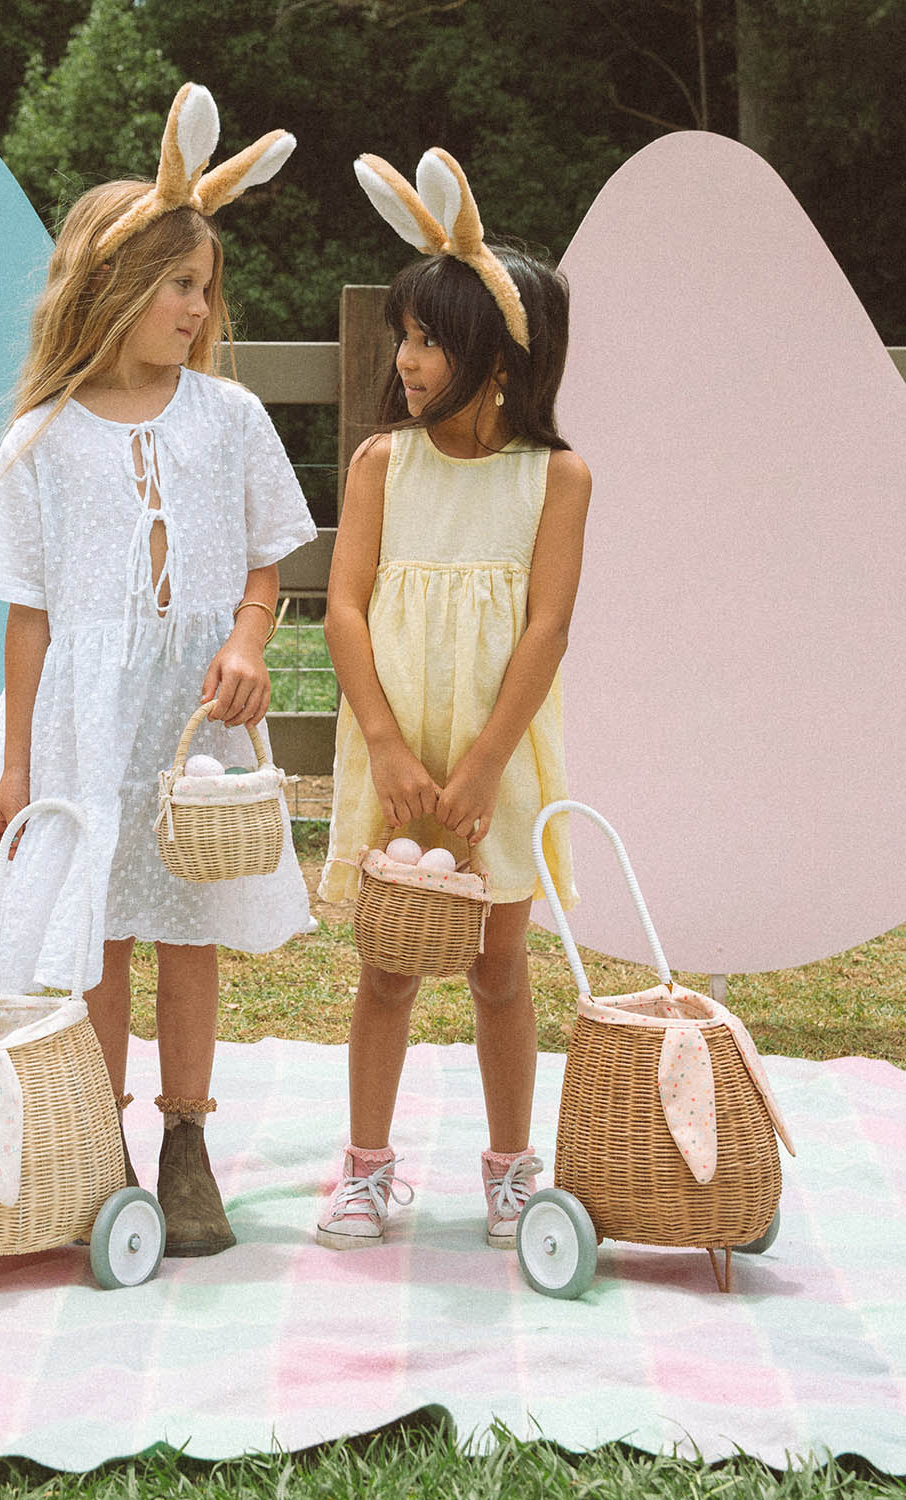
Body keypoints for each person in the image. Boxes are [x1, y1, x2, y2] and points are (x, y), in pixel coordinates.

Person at [0, 84, 316, 1258]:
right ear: (116, 286)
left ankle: (188, 1141)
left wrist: (245, 641)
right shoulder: (42, 440)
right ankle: (104, 1140)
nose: (199, 307)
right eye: (179, 285)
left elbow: (265, 564)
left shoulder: (229, 418)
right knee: (97, 935)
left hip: (190, 724)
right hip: (85, 725)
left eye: (204, 287)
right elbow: (28, 619)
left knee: (187, 928)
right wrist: (17, 766)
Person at [316, 148, 590, 1250]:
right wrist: (386, 746)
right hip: (400, 749)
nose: (409, 356)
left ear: (498, 358)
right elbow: (341, 609)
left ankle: (511, 1167)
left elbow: (548, 628)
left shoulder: (556, 480)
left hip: (497, 757)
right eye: (409, 334)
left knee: (497, 966)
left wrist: (481, 770)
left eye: (431, 339)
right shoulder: (385, 463)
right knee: (388, 963)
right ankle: (366, 1169)